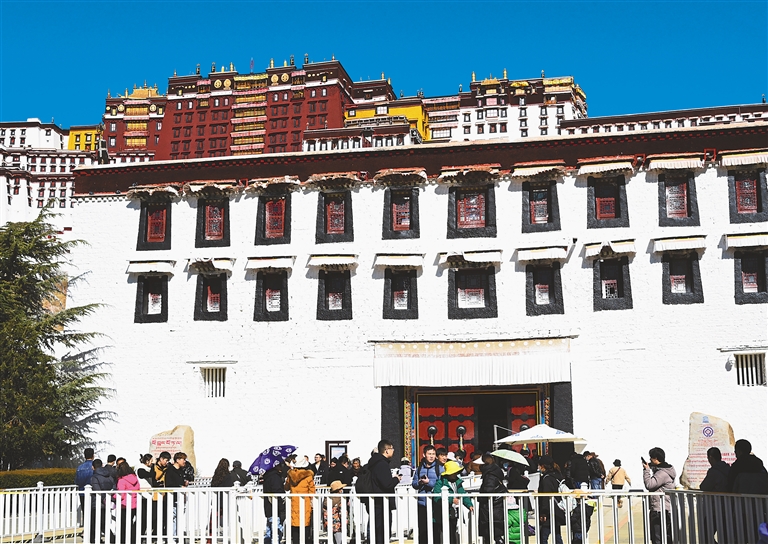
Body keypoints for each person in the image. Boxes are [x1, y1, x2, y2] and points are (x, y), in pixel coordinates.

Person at [366, 439, 402, 544]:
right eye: (392, 449)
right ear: (386, 450)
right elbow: (387, 484)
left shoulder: (374, 462)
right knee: (382, 532)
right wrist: (396, 479)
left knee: (376, 530)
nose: (393, 451)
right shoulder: (382, 464)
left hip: (376, 502)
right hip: (382, 503)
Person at [432, 460, 474, 544]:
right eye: (453, 473)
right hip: (440, 513)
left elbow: (462, 494)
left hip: (453, 513)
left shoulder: (458, 482)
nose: (455, 474)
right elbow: (436, 497)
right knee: (438, 535)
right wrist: (451, 500)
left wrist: (469, 504)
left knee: (452, 533)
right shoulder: (440, 483)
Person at [642, 447, 676, 544]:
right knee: (665, 536)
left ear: (656, 459)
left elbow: (649, 484)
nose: (650, 460)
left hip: (659, 510)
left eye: (651, 458)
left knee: (658, 538)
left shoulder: (662, 473)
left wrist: (646, 470)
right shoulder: (666, 470)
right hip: (664, 508)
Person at [412, 444, 443, 544]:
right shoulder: (419, 469)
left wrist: (429, 482)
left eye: (433, 454)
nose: (431, 456)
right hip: (422, 503)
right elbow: (414, 484)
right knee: (422, 529)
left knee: (435, 530)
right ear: (424, 455)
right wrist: (420, 482)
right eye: (429, 454)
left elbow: (441, 485)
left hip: (435, 503)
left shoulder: (440, 469)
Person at [286, 454, 316, 544]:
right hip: (305, 502)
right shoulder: (308, 476)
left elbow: (286, 488)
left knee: (295, 524)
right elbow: (312, 491)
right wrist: (312, 502)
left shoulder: (290, 475)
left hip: (294, 502)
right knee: (305, 524)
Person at [537, 454, 566, 544]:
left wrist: (544, 512)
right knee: (557, 534)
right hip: (558, 509)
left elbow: (546, 496)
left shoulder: (546, 479)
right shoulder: (557, 475)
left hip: (549, 511)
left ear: (543, 466)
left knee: (543, 536)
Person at [478, 452, 506, 544]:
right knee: (495, 533)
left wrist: (480, 498)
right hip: (496, 507)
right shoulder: (495, 471)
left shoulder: (489, 475)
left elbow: (488, 491)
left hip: (490, 508)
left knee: (492, 534)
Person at [89, 459, 115, 543]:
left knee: (95, 523)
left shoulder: (95, 477)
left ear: (93, 467)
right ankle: (111, 539)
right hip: (107, 503)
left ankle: (94, 540)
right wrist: (109, 498)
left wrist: (104, 498)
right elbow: (114, 487)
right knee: (103, 522)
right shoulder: (109, 475)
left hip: (97, 503)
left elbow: (97, 490)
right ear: (102, 465)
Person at [263, 460, 287, 544]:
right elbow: (277, 491)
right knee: (276, 530)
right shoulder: (275, 477)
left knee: (269, 529)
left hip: (268, 506)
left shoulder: (267, 476)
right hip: (275, 506)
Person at [116, 462, 140, 544]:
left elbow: (121, 495)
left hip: (124, 505)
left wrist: (113, 496)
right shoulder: (135, 479)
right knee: (131, 523)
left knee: (124, 524)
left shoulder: (121, 480)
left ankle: (123, 540)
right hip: (135, 504)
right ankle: (133, 540)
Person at [164, 452, 187, 537]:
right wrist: (180, 487)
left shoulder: (181, 471)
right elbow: (169, 484)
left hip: (180, 498)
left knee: (179, 518)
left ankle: (177, 536)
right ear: (177, 460)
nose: (184, 461)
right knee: (173, 518)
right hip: (173, 498)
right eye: (183, 459)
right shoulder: (170, 471)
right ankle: (172, 537)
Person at [211, 458, 234, 529]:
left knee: (215, 515)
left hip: (216, 498)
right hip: (224, 499)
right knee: (226, 515)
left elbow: (212, 485)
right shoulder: (228, 476)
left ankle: (211, 531)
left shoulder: (216, 475)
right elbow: (229, 486)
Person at [75, 447, 95, 524]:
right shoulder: (94, 467)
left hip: (82, 492)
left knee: (85, 511)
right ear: (93, 455)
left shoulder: (80, 467)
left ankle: (86, 527)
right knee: (93, 512)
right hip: (93, 492)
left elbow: (76, 481)